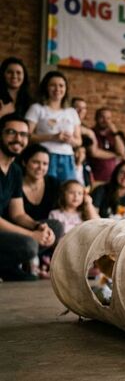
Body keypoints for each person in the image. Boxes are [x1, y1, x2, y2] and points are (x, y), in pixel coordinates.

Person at [0, 114, 56, 281]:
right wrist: (30, 235)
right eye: (11, 132)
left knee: (55, 227)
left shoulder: (15, 170)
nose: (18, 139)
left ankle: (6, 268)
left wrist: (37, 226)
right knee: (29, 244)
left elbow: (18, 214)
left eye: (24, 135)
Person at [25, 71, 81, 182]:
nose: (57, 89)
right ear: (46, 87)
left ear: (66, 88)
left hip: (67, 158)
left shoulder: (71, 112)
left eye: (61, 85)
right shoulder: (37, 108)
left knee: (67, 192)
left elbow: (79, 141)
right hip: (44, 157)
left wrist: (71, 140)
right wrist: (52, 137)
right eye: (53, 85)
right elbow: (26, 135)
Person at [89, 107, 125, 183]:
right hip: (95, 179)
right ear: (96, 118)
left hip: (113, 180)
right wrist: (115, 155)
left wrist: (115, 133)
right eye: (102, 117)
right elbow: (94, 152)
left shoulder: (115, 135)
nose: (105, 121)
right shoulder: (90, 133)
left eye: (108, 118)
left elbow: (122, 152)